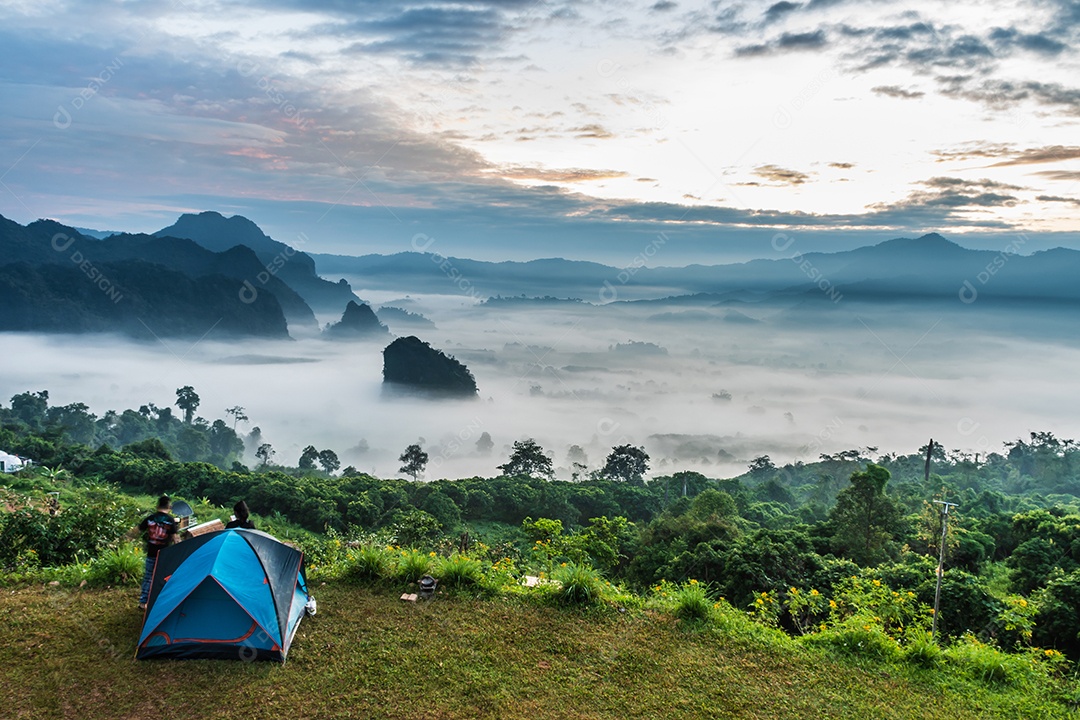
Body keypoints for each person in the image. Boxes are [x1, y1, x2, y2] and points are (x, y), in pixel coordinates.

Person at [136, 495, 177, 610]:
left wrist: (126, 537)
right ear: (169, 506)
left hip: (151, 552)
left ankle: (143, 602)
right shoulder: (170, 520)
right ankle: (161, 601)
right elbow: (175, 539)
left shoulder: (150, 518)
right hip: (164, 554)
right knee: (164, 576)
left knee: (149, 576)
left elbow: (137, 530)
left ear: (158, 505)